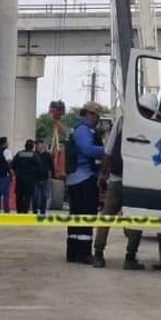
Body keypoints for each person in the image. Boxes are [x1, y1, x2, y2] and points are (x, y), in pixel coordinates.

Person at [93, 92, 159, 270]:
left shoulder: (122, 120)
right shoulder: (153, 126)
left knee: (107, 216)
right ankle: (130, 258)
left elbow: (108, 149)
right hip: (137, 181)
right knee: (137, 219)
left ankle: (98, 255)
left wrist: (103, 173)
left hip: (117, 178)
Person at [65, 102, 106, 264]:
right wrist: (107, 150)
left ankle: (73, 251)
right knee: (86, 215)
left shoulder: (78, 129)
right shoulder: (83, 130)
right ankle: (83, 252)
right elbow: (88, 150)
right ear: (90, 114)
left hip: (77, 179)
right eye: (97, 116)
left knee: (76, 216)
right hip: (84, 179)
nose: (98, 120)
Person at [11, 139, 41, 213]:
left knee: (19, 196)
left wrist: (16, 172)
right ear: (32, 147)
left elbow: (12, 165)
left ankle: (19, 211)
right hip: (30, 180)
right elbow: (40, 166)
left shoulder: (19, 154)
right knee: (27, 197)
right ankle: (25, 213)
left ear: (25, 146)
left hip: (19, 179)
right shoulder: (34, 155)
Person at [33, 140, 54, 215]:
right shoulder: (34, 154)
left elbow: (52, 166)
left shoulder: (48, 155)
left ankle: (43, 211)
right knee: (35, 196)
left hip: (45, 178)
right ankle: (34, 210)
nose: (38, 146)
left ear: (42, 145)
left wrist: (53, 175)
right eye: (37, 145)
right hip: (35, 178)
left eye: (39, 145)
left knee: (44, 196)